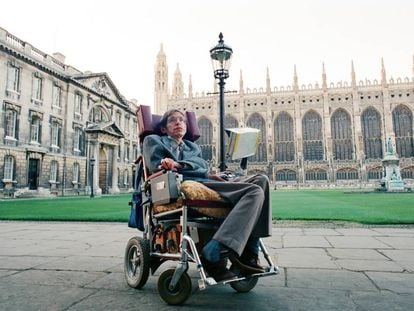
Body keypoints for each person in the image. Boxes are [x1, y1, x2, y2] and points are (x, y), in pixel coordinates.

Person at [143, 109, 272, 281]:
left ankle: (249, 253)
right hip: (178, 185)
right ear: (164, 129)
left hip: (205, 182)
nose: (178, 123)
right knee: (254, 192)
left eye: (182, 120)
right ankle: (218, 250)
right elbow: (154, 164)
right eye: (172, 120)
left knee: (261, 180)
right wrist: (168, 164)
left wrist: (179, 164)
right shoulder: (153, 140)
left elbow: (202, 166)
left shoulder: (192, 146)